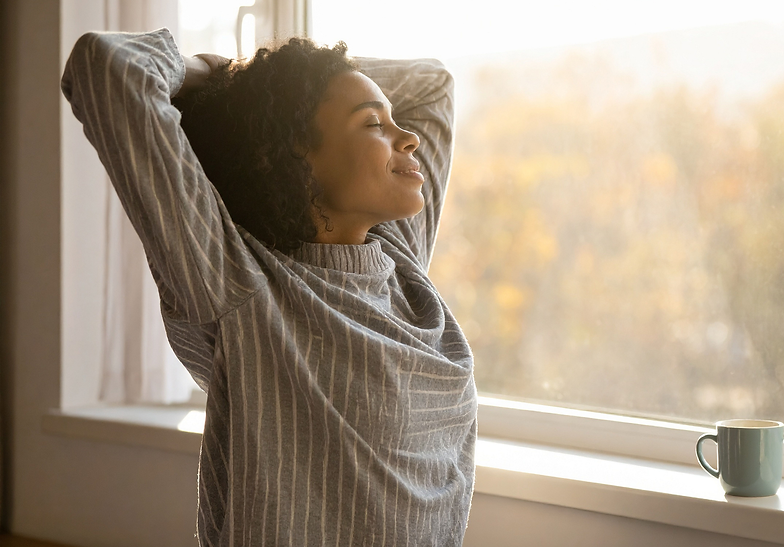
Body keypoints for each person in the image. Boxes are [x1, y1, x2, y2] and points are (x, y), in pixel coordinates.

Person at [61, 28, 476, 546]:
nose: (408, 136)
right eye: (374, 123)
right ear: (297, 157)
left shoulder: (399, 258)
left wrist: (265, 81)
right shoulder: (242, 285)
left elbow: (433, 86)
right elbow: (108, 66)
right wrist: (238, 89)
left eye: (394, 121)